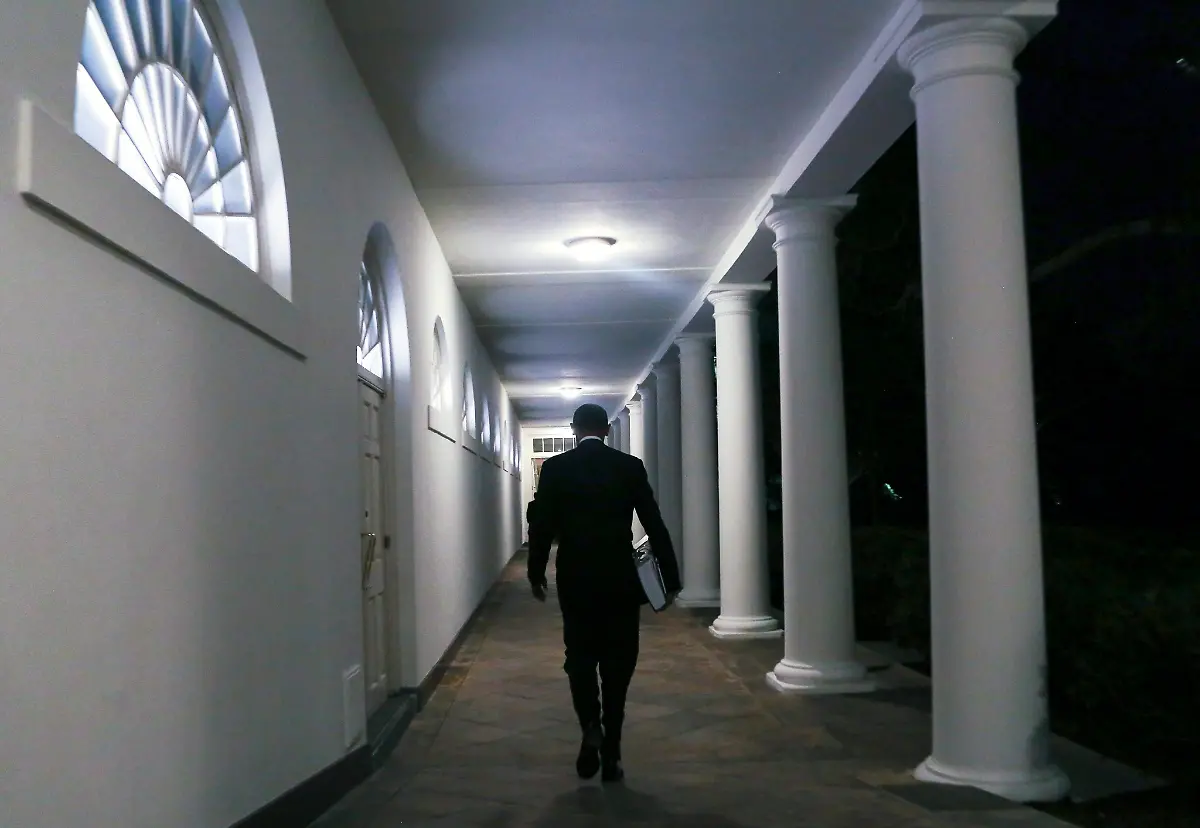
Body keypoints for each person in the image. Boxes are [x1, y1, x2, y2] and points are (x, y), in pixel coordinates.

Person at [527, 403, 680, 783]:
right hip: (619, 577)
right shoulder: (629, 467)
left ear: (575, 430)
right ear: (607, 430)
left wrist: (535, 572)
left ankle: (590, 726)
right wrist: (671, 577)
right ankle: (611, 748)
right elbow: (653, 523)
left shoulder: (556, 468)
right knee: (619, 660)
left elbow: (542, 525)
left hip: (576, 576)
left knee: (579, 657)